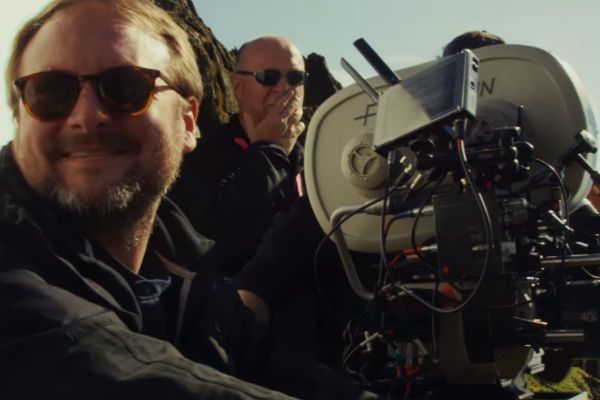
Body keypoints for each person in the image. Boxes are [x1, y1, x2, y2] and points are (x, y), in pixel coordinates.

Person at [0, 1, 376, 399]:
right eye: (50, 91)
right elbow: (101, 367)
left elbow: (261, 358)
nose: (86, 115)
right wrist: (270, 153)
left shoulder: (185, 266)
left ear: (188, 121)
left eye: (125, 89)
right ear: (19, 117)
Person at [168, 35, 306, 278]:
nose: (284, 88)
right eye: (268, 77)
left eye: (295, 78)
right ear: (237, 86)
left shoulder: (317, 156)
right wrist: (270, 151)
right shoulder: (198, 157)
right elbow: (223, 241)